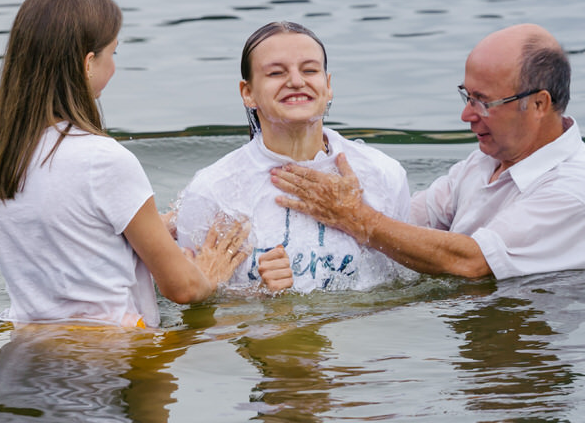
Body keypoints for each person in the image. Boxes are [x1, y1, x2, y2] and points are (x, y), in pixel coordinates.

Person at [0, 0, 247, 329]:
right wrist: (210, 273)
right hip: (112, 354)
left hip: (27, 343)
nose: (114, 66)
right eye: (113, 53)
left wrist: (153, 227)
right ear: (88, 63)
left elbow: (63, 240)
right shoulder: (102, 159)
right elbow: (183, 289)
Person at [270, 23, 585, 280]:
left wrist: (355, 217)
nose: (466, 115)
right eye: (466, 96)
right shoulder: (487, 160)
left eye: (483, 102)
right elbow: (403, 219)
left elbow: (471, 261)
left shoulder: (575, 192)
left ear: (538, 104)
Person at [174, 21, 413, 293]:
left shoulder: (383, 173)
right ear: (247, 93)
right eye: (276, 73)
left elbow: (403, 289)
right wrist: (259, 297)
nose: (297, 82)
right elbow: (196, 297)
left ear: (328, 85)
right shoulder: (211, 191)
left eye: (310, 70)